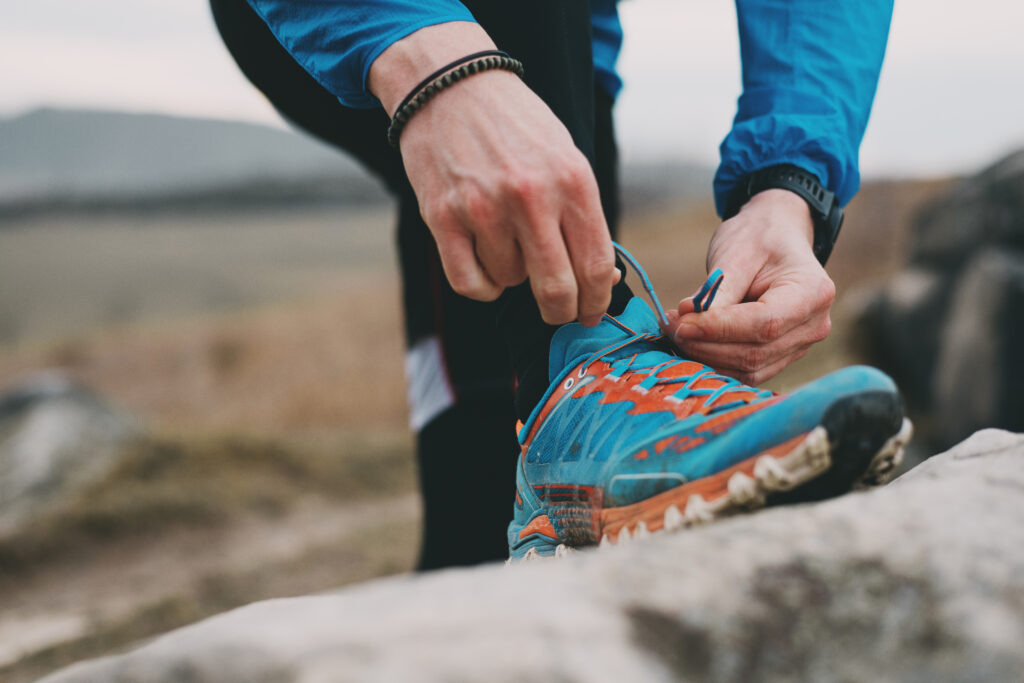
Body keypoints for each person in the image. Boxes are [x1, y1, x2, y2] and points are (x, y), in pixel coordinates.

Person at [210, 0, 910, 566]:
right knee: (555, 351)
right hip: (332, 21)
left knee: (494, 467)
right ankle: (585, 386)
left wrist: (787, 187)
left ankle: (563, 466)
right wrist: (429, 57)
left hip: (560, 60)